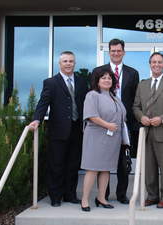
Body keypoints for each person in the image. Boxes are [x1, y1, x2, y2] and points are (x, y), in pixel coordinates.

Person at [29, 51, 88, 207]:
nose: (68, 64)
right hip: (58, 130)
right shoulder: (51, 82)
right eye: (65, 61)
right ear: (59, 64)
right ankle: (55, 196)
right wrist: (36, 119)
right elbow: (43, 103)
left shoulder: (82, 81)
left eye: (71, 61)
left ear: (74, 63)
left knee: (73, 164)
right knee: (57, 165)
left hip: (77, 130)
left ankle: (70, 194)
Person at [91, 38, 139, 204]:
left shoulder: (133, 73)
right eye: (113, 51)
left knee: (123, 162)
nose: (116, 53)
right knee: (103, 160)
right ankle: (102, 195)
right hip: (103, 124)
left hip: (124, 124)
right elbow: (94, 96)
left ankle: (121, 194)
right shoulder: (98, 71)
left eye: (119, 51)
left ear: (123, 52)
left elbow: (134, 100)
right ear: (109, 52)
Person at [133, 52, 163, 208]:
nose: (156, 64)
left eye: (160, 62)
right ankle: (152, 196)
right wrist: (141, 117)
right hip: (146, 133)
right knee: (149, 167)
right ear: (149, 64)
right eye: (154, 62)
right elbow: (136, 106)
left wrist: (162, 119)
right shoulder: (142, 84)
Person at [80, 69, 126, 212]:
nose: (107, 80)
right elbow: (91, 116)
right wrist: (108, 125)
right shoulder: (92, 95)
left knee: (106, 169)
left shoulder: (114, 97)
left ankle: (101, 198)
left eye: (109, 78)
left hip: (112, 139)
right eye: (103, 78)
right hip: (96, 136)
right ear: (97, 81)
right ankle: (85, 200)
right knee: (92, 169)